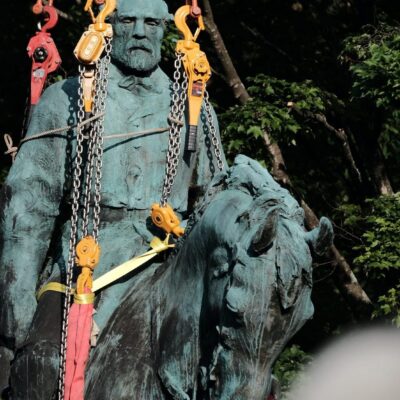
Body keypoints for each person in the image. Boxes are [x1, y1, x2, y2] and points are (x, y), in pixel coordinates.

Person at [0, 0, 225, 395]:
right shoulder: (65, 100)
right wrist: (16, 308)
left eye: (151, 22)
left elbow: (217, 201)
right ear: (109, 25)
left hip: (171, 261)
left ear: (165, 30)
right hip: (87, 261)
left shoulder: (194, 107)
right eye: (129, 21)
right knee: (42, 361)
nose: (140, 32)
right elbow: (29, 205)